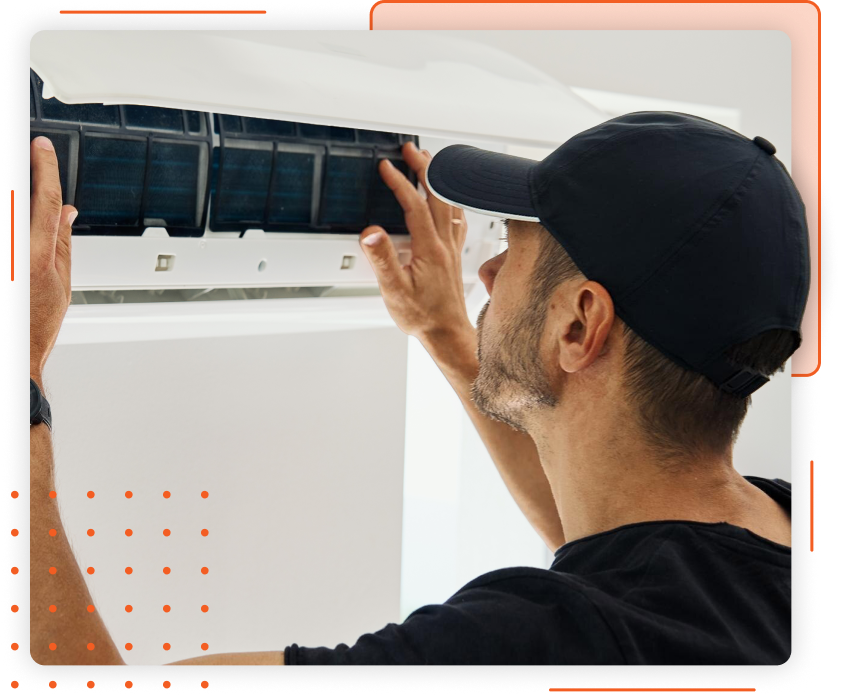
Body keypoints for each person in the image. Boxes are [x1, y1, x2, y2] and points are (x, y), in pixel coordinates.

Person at [29, 112, 806, 667]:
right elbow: (617, 556)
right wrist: (447, 335)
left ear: (578, 325)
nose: (488, 272)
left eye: (514, 246)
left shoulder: (527, 648)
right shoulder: (773, 542)